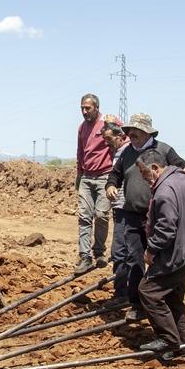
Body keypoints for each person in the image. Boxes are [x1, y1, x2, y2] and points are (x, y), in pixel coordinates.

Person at [105, 113, 185, 320]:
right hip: (131, 215)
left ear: (147, 132)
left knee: (160, 260)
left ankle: (165, 303)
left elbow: (180, 167)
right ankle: (137, 304)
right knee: (135, 260)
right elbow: (115, 174)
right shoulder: (127, 152)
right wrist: (110, 185)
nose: (130, 135)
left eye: (135, 131)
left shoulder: (163, 150)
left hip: (157, 216)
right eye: (129, 131)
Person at [134, 147, 185, 361]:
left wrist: (151, 249)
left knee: (148, 292)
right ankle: (182, 347)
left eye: (144, 173)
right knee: (173, 297)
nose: (144, 179)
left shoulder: (165, 191)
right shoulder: (183, 178)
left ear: (155, 168)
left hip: (174, 255)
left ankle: (168, 339)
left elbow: (167, 228)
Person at [74, 94, 112, 275]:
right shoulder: (82, 128)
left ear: (96, 107)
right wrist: (79, 175)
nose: (84, 111)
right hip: (87, 178)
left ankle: (99, 252)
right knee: (84, 217)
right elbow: (80, 152)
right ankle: (85, 256)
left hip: (105, 176)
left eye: (87, 108)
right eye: (82, 108)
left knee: (101, 215)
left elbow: (124, 139)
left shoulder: (108, 122)